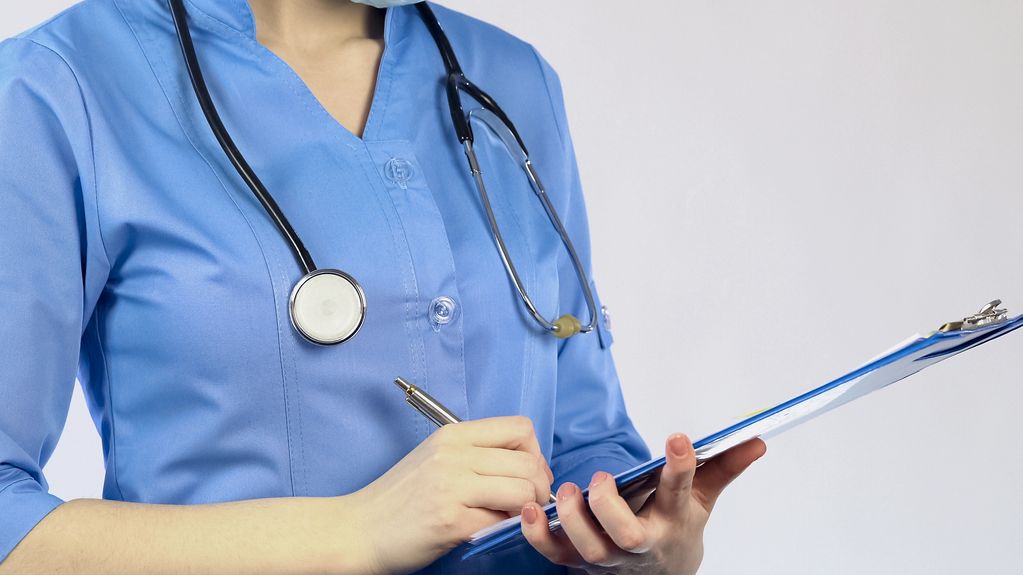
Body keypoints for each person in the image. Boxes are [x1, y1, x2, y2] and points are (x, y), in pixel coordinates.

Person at [0, 0, 766, 572]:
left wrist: (643, 539)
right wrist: (357, 529)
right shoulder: (60, 87)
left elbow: (582, 439)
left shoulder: (508, 78)